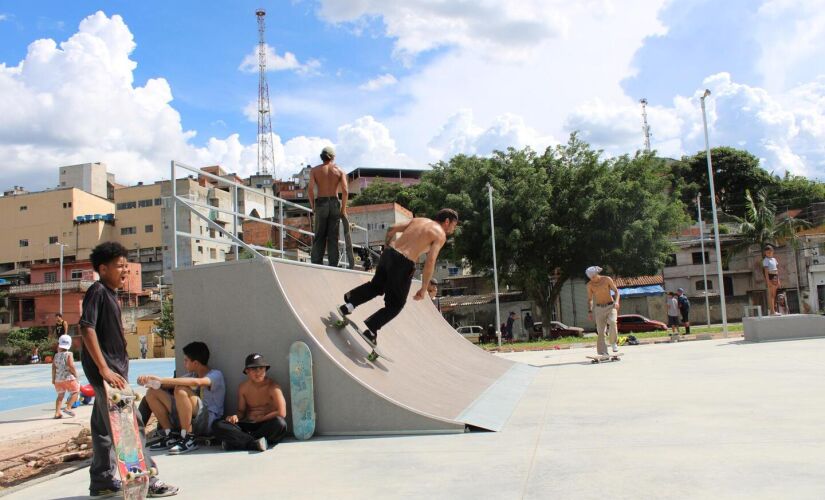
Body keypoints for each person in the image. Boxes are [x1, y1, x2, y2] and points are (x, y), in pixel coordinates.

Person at [79, 242, 177, 497]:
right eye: (119, 266)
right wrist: (104, 369)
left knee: (102, 428)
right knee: (132, 426)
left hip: (113, 373)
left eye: (126, 265)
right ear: (103, 268)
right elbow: (86, 327)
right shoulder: (98, 291)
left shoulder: (110, 294)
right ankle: (148, 479)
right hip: (109, 375)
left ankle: (101, 482)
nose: (125, 270)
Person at [337, 209, 459, 346]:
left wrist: (387, 247)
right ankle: (371, 329)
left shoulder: (418, 220)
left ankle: (349, 305)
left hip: (389, 254)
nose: (453, 229)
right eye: (454, 225)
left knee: (375, 287)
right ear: (447, 222)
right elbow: (430, 261)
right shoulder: (440, 234)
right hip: (403, 264)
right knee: (396, 304)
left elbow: (391, 228)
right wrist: (424, 288)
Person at [139, 341, 225, 455]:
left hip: (207, 423)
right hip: (189, 418)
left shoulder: (216, 375)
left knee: (180, 389)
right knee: (152, 392)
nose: (184, 363)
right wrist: (148, 380)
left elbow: (197, 382)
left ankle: (188, 437)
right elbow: (164, 385)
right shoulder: (191, 375)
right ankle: (170, 435)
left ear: (195, 363)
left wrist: (161, 380)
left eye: (186, 360)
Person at [212, 353, 287, 452]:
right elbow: (241, 412)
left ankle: (239, 442)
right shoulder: (243, 387)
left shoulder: (273, 387)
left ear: (265, 370)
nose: (258, 372)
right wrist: (235, 417)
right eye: (254, 368)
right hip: (249, 426)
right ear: (247, 371)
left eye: (261, 368)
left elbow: (282, 413)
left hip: (265, 426)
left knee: (280, 424)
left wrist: (261, 419)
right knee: (217, 424)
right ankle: (254, 443)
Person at [308, 146, 348, 267]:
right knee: (333, 237)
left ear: (322, 157)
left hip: (321, 203)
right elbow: (345, 191)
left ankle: (316, 264)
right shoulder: (340, 170)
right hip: (335, 203)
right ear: (333, 157)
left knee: (319, 235)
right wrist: (343, 209)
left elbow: (310, 190)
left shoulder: (315, 170)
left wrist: (313, 206)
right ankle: (333, 265)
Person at [586, 266, 621, 355]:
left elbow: (616, 291)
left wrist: (616, 302)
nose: (592, 279)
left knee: (612, 322)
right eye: (591, 278)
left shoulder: (606, 279)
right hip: (599, 309)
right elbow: (590, 299)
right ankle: (603, 352)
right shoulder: (590, 285)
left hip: (610, 306)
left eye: (593, 277)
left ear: (597, 274)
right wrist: (590, 311)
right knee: (601, 331)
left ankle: (613, 343)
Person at [52, 334, 80, 419]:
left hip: (58, 380)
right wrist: (76, 374)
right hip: (68, 378)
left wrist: (53, 378)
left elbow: (53, 367)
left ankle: (57, 413)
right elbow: (71, 365)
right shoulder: (69, 354)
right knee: (75, 392)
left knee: (60, 396)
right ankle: (68, 408)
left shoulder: (56, 355)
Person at [763, 244, 781, 315]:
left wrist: (778, 280)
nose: (769, 253)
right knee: (771, 295)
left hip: (775, 276)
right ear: (765, 253)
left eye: (770, 252)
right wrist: (768, 281)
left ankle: (773, 311)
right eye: (767, 252)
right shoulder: (765, 260)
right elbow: (766, 272)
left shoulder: (774, 259)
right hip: (770, 276)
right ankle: (772, 311)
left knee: (774, 295)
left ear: (773, 251)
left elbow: (777, 270)